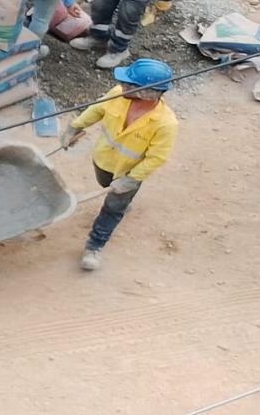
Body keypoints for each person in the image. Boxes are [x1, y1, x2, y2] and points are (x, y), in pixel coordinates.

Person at [60, 59, 178, 271]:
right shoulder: (117, 94)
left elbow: (157, 157)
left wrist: (131, 180)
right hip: (103, 160)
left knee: (113, 207)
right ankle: (122, 201)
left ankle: (94, 246)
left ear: (146, 93)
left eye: (129, 83)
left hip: (128, 172)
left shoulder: (165, 123)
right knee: (105, 184)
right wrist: (74, 127)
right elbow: (96, 110)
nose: (122, 85)